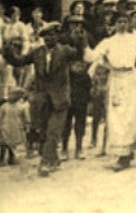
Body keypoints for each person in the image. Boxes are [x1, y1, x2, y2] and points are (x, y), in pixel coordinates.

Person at [84, 12, 136, 172]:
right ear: (113, 24)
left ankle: (127, 153)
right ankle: (122, 154)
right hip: (115, 78)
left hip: (131, 79)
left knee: (130, 115)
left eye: (125, 21)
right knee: (117, 116)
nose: (122, 24)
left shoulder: (134, 38)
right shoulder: (108, 41)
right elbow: (91, 57)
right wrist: (84, 44)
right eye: (119, 21)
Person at [2, 22, 79, 176]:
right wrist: (7, 49)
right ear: (42, 38)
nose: (48, 38)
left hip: (60, 99)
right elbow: (18, 61)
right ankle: (53, 159)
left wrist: (78, 37)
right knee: (43, 132)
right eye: (45, 36)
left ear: (57, 36)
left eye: (52, 35)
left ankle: (45, 162)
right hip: (42, 100)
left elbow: (81, 53)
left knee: (53, 131)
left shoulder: (65, 51)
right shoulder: (36, 52)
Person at [60, 15, 92, 161]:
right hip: (66, 83)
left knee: (81, 116)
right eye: (73, 24)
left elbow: (94, 58)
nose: (76, 27)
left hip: (82, 83)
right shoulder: (62, 40)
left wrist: (86, 67)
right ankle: (64, 148)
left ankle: (79, 147)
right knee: (66, 117)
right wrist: (68, 67)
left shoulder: (87, 39)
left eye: (79, 24)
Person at [0, 86, 28, 165]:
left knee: (12, 144)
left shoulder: (20, 106)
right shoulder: (4, 106)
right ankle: (1, 159)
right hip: (5, 126)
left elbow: (24, 117)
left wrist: (26, 124)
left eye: (14, 95)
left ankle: (11, 158)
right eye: (10, 94)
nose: (11, 97)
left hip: (15, 127)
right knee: (3, 143)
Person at [89, 63, 109, 155]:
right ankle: (93, 139)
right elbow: (91, 75)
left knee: (108, 121)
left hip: (108, 95)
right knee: (95, 118)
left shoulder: (111, 66)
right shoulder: (96, 65)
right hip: (98, 94)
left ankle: (105, 145)